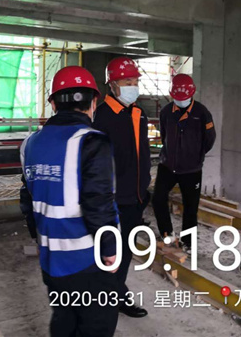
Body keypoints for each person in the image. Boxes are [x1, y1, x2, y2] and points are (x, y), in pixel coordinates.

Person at [20, 66, 120, 337]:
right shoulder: (92, 142)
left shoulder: (30, 144)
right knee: (96, 325)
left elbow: (27, 199)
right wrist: (110, 248)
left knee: (64, 316)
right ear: (94, 102)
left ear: (53, 103)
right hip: (86, 260)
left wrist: (38, 239)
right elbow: (99, 204)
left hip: (50, 258)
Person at [93, 56, 150, 318]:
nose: (133, 86)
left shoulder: (138, 113)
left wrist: (144, 189)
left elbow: (143, 154)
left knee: (125, 252)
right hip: (111, 200)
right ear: (113, 85)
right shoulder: (101, 117)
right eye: (127, 81)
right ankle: (107, 299)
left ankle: (115, 294)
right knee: (108, 253)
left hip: (135, 197)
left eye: (135, 81)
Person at [152, 74, 216, 252]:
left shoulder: (202, 113)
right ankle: (167, 234)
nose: (181, 100)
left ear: (192, 93)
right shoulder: (166, 112)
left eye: (184, 97)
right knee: (158, 199)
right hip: (167, 165)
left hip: (191, 169)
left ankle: (188, 242)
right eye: (177, 97)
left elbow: (209, 139)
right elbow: (164, 135)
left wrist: (195, 155)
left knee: (190, 207)